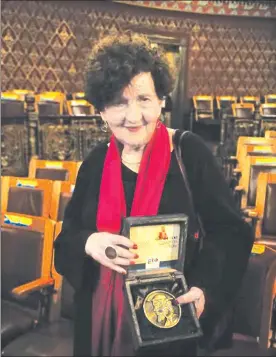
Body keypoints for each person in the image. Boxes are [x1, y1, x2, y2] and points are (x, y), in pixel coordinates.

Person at [54, 33, 253, 356]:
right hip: (97, 327)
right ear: (102, 110)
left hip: (170, 325)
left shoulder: (190, 153)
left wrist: (204, 290)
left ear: (161, 100)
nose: (133, 117)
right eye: (119, 102)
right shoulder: (93, 163)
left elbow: (231, 234)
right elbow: (65, 242)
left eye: (144, 99)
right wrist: (90, 243)